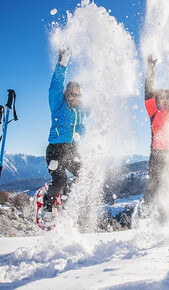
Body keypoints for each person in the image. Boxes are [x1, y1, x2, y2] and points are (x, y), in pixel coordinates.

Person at [140, 54, 169, 216]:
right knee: (155, 180)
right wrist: (150, 68)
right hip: (157, 151)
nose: (165, 101)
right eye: (162, 99)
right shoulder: (153, 111)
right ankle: (146, 205)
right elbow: (148, 91)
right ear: (157, 101)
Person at [42, 48, 86, 221]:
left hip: (72, 149)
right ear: (67, 93)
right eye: (73, 94)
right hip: (55, 150)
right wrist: (63, 63)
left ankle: (66, 201)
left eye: (79, 95)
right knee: (60, 180)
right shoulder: (58, 103)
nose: (76, 98)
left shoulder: (82, 109)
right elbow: (55, 86)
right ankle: (47, 204)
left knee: (84, 174)